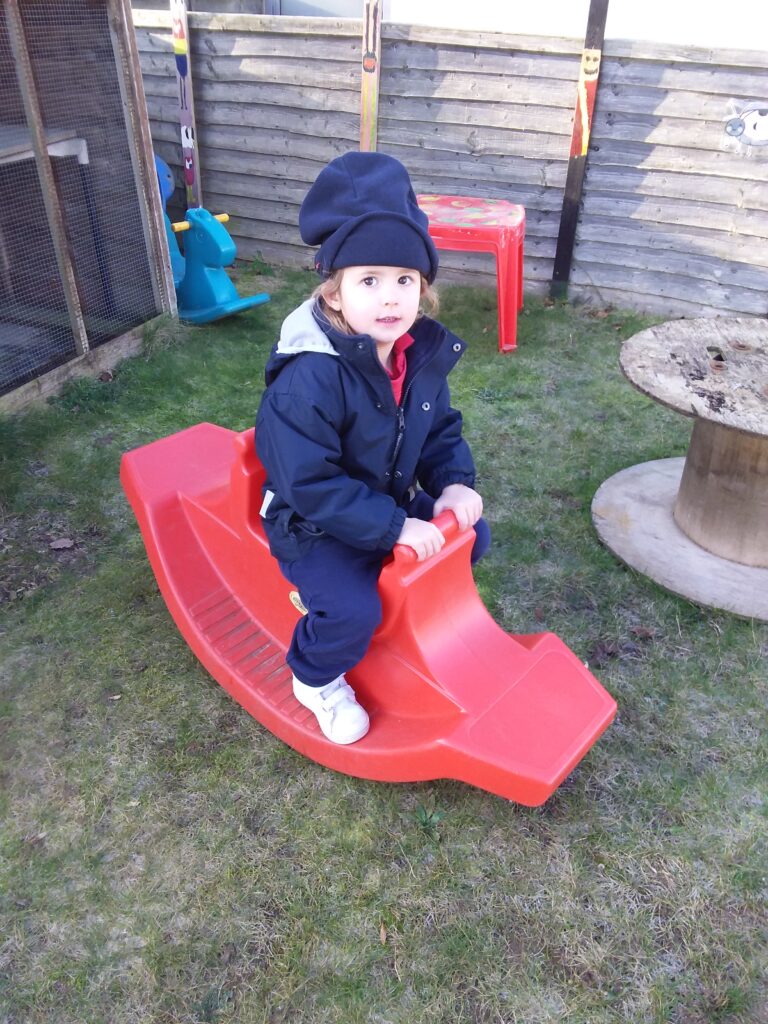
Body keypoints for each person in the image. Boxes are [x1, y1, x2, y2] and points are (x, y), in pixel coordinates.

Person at [255, 152, 490, 745]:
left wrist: (453, 480)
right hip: (316, 523)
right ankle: (315, 676)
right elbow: (307, 483)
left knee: (470, 537)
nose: (391, 298)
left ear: (423, 287)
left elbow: (438, 427)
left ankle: (416, 621)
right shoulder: (310, 377)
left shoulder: (412, 354)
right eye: (369, 280)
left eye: (405, 280)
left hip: (383, 498)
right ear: (333, 294)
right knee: (351, 611)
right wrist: (393, 529)